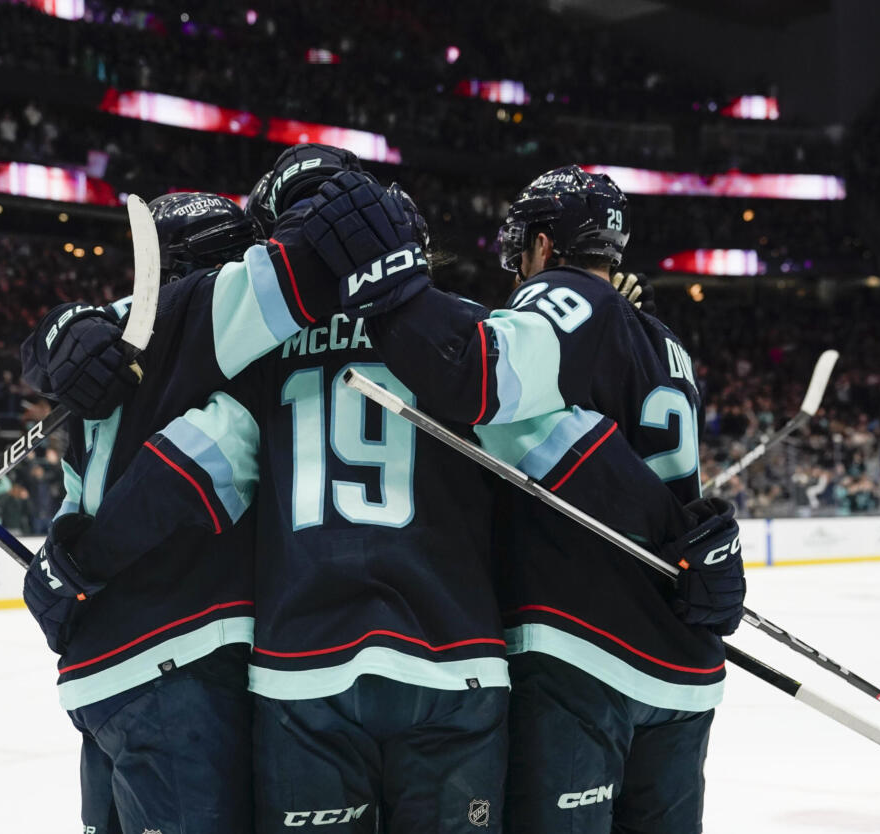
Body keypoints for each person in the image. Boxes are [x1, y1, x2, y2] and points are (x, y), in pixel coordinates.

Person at [61, 159, 723, 834]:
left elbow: (190, 469)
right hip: (456, 660)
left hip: (303, 668)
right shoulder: (464, 332)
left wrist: (79, 564)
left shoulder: (263, 355)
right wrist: (682, 540)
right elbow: (567, 460)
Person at [302, 165, 745, 833]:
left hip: (584, 648)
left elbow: (481, 371)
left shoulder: (563, 297)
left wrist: (390, 286)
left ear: (542, 244)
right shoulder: (668, 342)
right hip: (682, 669)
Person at [19, 182, 338, 834]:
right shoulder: (209, 326)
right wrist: (85, 562)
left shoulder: (103, 340)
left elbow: (74, 505)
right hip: (176, 659)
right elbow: (195, 464)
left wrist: (63, 576)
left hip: (98, 677)